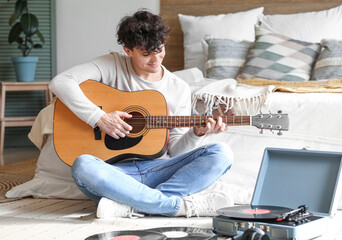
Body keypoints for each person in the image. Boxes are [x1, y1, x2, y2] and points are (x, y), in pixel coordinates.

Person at [49, 10, 234, 218]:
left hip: (160, 171)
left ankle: (133, 206)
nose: (155, 59)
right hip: (116, 175)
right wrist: (99, 118)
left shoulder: (178, 88)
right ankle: (173, 207)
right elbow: (60, 82)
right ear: (128, 50)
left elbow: (175, 152)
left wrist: (196, 134)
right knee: (82, 165)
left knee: (222, 153)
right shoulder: (113, 64)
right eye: (146, 53)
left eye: (159, 50)